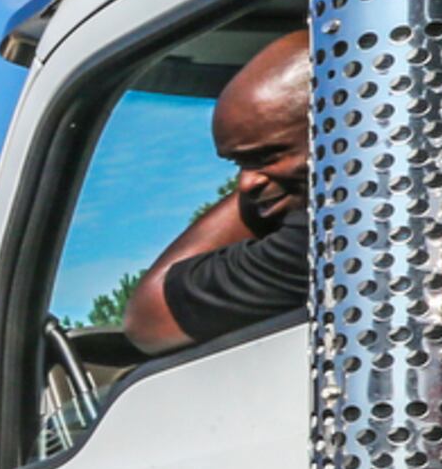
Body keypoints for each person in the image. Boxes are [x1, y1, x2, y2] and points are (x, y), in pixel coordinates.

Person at [122, 31, 310, 355]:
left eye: (267, 156)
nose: (246, 184)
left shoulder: (334, 239)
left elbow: (150, 316)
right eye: (239, 164)